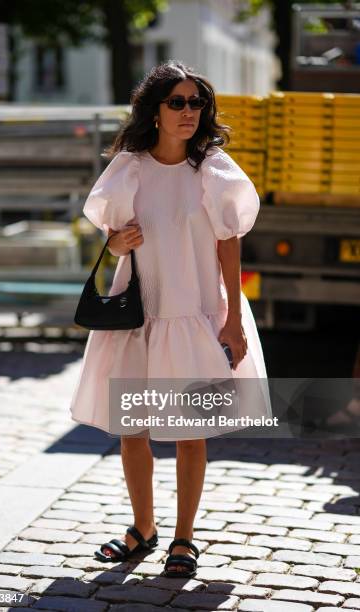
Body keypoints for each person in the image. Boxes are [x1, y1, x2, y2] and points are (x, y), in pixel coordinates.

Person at [70, 60, 272, 578]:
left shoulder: (214, 169)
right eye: (177, 102)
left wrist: (231, 319)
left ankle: (184, 536)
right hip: (139, 313)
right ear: (155, 111)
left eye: (196, 103)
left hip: (196, 309)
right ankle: (143, 527)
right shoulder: (128, 169)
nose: (189, 112)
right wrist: (114, 242)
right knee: (132, 427)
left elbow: (230, 245)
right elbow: (112, 236)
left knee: (190, 430)